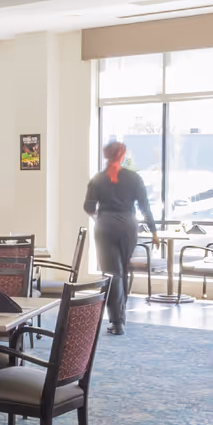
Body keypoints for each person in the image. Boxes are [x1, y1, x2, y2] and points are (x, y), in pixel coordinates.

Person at [83, 140, 156, 335]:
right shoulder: (134, 178)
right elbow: (144, 207)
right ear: (122, 155)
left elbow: (89, 208)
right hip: (129, 227)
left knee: (112, 272)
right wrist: (154, 231)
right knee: (122, 271)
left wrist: (102, 218)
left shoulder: (97, 179)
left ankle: (117, 322)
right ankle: (120, 317)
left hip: (106, 226)